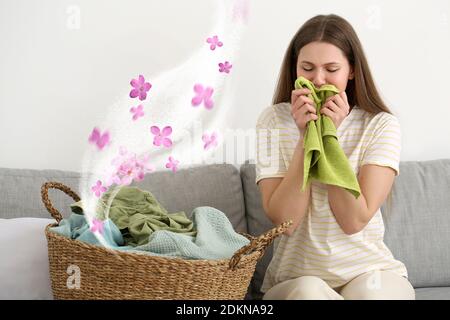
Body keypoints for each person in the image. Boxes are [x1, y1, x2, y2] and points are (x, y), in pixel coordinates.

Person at [255, 14, 415, 300]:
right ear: (295, 69)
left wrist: (329, 136)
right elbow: (285, 222)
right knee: (309, 293)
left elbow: (353, 220)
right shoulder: (273, 121)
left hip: (369, 271)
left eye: (331, 69)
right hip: (296, 278)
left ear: (351, 71)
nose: (318, 80)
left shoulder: (380, 125)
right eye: (307, 68)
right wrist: (307, 137)